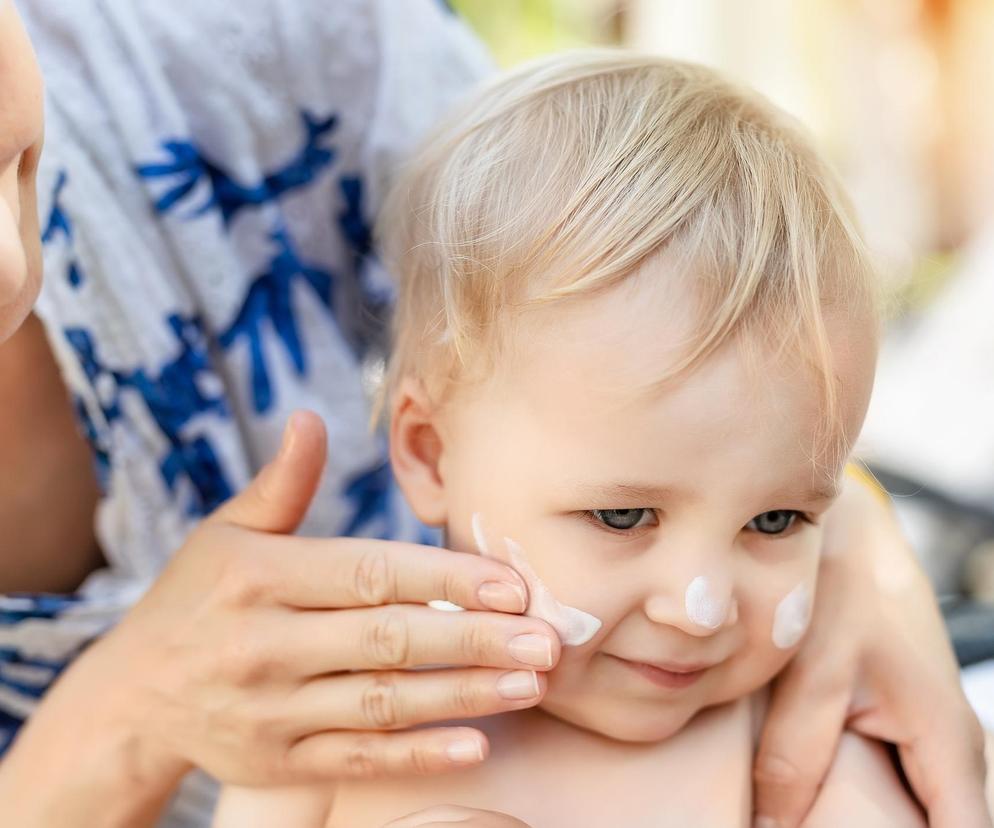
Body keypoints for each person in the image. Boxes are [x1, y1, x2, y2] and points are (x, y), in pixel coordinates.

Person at [0, 3, 987, 827]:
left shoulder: (805, 742)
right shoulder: (331, 724)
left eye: (775, 521)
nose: (702, 604)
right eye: (620, 516)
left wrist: (857, 530)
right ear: (428, 451)